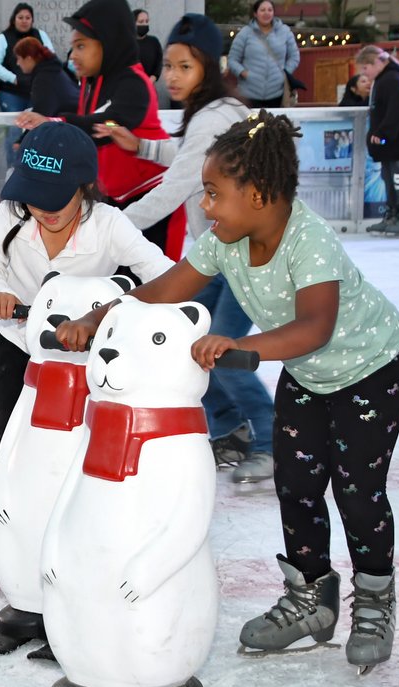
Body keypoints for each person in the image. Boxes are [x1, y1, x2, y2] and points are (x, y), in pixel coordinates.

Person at [55, 111, 399, 674]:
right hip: (310, 376)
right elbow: (163, 290)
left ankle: (373, 601)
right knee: (296, 486)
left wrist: (239, 348)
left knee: (357, 490)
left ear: (260, 193)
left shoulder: (308, 240)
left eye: (215, 194)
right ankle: (310, 597)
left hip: (373, 370)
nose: (206, 207)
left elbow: (315, 326)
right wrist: (101, 315)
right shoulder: (224, 243)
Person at [0, 121, 173, 567]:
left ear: (86, 186)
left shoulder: (110, 225)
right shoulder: (13, 216)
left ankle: (73, 512)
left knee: (79, 432)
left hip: (82, 356)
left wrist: (124, 314)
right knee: (8, 426)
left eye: (54, 197)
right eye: (33, 196)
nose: (42, 209)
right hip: (16, 341)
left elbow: (164, 276)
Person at [101, 14, 273, 485]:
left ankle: (270, 442)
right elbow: (186, 157)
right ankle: (228, 429)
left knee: (224, 349)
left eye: (184, 67)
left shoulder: (215, 115)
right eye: (169, 66)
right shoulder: (215, 112)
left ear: (208, 67)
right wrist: (139, 145)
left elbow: (175, 187)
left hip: (248, 253)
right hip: (223, 250)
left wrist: (107, 226)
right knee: (189, 340)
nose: (171, 77)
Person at [16, 0, 186, 261]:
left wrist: (54, 122)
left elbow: (107, 124)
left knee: (153, 291)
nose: (72, 55)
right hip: (117, 201)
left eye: (81, 46)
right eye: (73, 47)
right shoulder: (91, 83)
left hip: (154, 202)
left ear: (108, 43)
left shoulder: (133, 82)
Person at [356, 45, 399, 236]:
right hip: (392, 143)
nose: (364, 73)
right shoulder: (384, 79)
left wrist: (383, 133)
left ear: (377, 63)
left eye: (365, 68)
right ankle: (393, 214)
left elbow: (396, 109)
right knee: (388, 177)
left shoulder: (393, 79)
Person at [226, 0, 300, 108]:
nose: (266, 13)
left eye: (270, 10)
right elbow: (232, 59)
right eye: (262, 10)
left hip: (277, 94)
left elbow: (294, 57)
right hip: (249, 94)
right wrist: (244, 73)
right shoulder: (245, 33)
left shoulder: (284, 32)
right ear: (255, 13)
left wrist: (284, 73)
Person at [0, 3, 57, 114]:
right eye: (20, 17)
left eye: (28, 18)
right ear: (14, 19)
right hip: (11, 93)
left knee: (35, 129)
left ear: (32, 20)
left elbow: (51, 59)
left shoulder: (41, 35)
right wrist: (13, 79)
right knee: (14, 129)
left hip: (37, 92)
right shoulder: (3, 38)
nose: (24, 21)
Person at [13, 36, 77, 117]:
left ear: (28, 59)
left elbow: (41, 116)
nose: (17, 63)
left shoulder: (43, 80)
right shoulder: (52, 71)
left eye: (19, 59)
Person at [133, 8, 163, 84]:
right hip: (130, 87)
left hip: (149, 86)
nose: (145, 24)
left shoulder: (154, 42)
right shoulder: (127, 43)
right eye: (141, 21)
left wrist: (154, 77)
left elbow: (159, 61)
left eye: (147, 21)